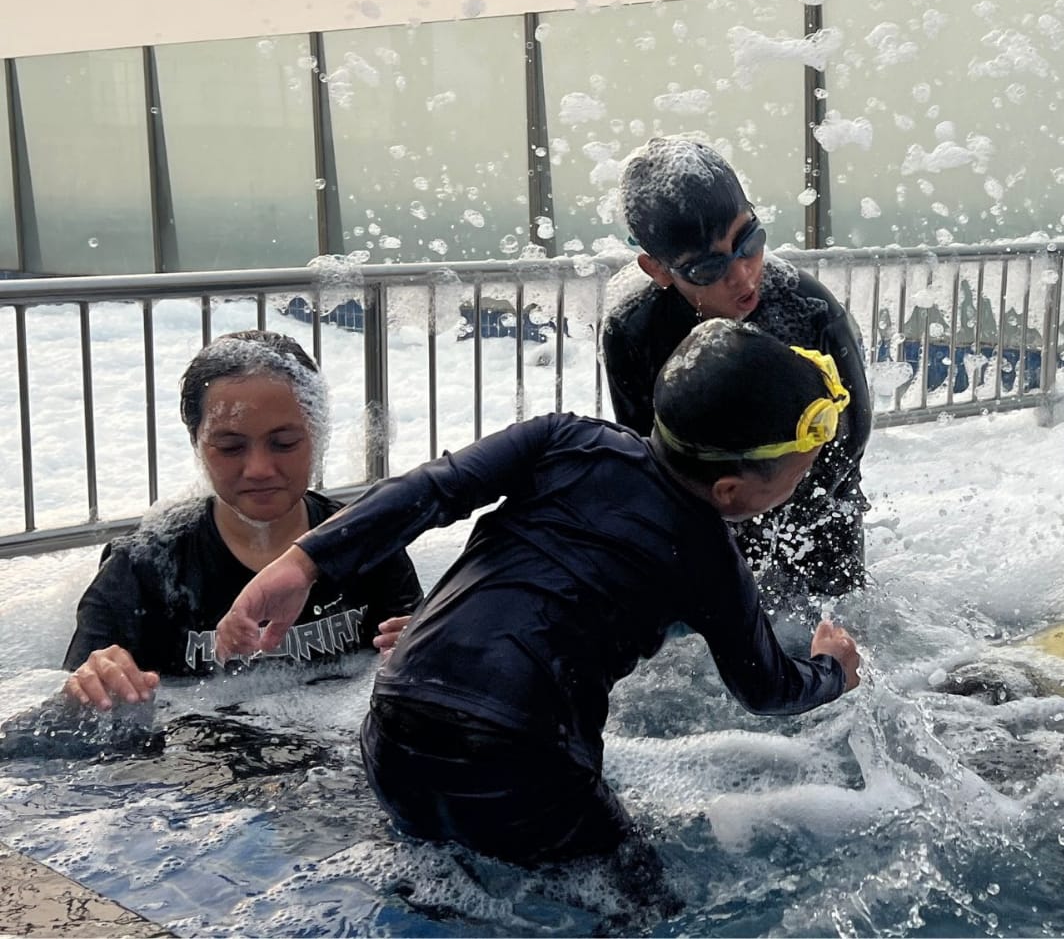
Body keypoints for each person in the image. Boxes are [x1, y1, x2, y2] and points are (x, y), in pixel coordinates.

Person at [213, 320, 863, 870]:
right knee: (638, 895)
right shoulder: (713, 560)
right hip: (522, 753)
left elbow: (431, 491)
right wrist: (832, 669)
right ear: (731, 492)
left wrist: (303, 563)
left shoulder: (564, 437)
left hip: (397, 713)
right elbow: (767, 689)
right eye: (797, 474)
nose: (801, 484)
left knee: (439, 874)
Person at [62, 330, 423, 712]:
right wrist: (95, 678)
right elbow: (74, 697)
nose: (259, 469)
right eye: (231, 447)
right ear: (197, 443)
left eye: (284, 443)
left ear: (317, 436)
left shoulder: (365, 542)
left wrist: (426, 650)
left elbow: (422, 685)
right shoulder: (145, 566)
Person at [602, 136, 873, 599]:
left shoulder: (808, 310)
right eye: (709, 268)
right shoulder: (634, 331)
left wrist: (773, 499)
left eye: (749, 242)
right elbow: (650, 456)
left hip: (819, 512)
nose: (743, 276)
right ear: (658, 269)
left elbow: (849, 441)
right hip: (711, 518)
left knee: (835, 623)